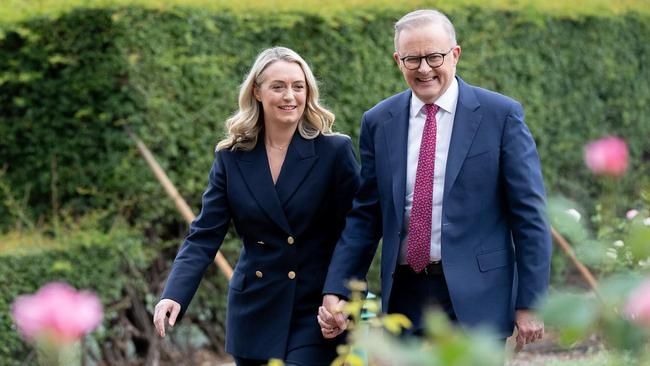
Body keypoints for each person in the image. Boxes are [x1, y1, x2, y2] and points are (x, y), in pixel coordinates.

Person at [318, 9, 552, 350]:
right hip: (405, 295)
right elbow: (367, 215)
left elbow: (529, 215)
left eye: (434, 56)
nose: (424, 68)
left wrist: (530, 300)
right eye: (413, 59)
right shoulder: (378, 121)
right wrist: (337, 288)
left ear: (455, 54)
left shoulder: (500, 116)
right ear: (398, 61)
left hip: (479, 296)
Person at [152, 46, 360, 366]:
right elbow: (204, 234)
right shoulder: (231, 158)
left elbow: (356, 231)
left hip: (316, 309)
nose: (289, 95)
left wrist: (341, 292)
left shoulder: (334, 151)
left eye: (298, 86)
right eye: (278, 86)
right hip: (255, 310)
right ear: (258, 92)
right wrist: (173, 293)